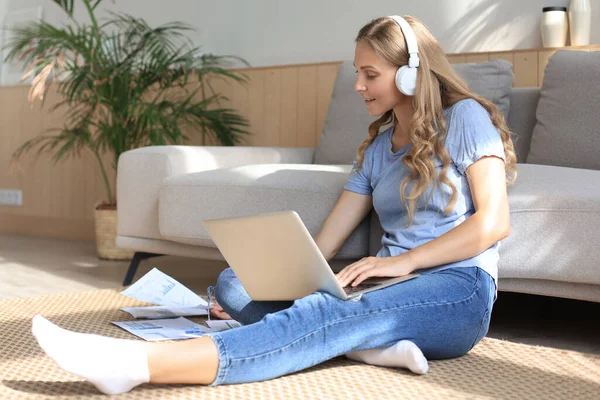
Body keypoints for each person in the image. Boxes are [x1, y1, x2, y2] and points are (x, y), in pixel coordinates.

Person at [31, 15, 517, 395]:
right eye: (357, 73)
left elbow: (493, 223)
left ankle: (132, 367)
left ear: (411, 75)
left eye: (370, 74)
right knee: (235, 286)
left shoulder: (466, 117)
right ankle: (368, 346)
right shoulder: (376, 147)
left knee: (323, 314)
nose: (358, 86)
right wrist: (295, 271)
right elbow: (326, 242)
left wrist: (400, 264)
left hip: (456, 288)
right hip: (387, 281)